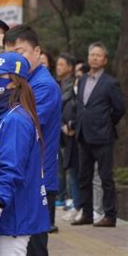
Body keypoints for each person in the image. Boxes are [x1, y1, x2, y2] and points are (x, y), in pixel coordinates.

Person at [0, 52, 50, 255]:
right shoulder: (3, 115)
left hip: (15, 212)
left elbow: (11, 168)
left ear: (14, 82)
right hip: (10, 210)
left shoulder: (15, 120)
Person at [3, 24, 61, 255]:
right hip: (25, 177)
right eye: (9, 55)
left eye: (20, 53)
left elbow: (20, 126)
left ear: (37, 52)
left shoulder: (43, 86)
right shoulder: (24, 82)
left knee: (34, 247)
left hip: (38, 180)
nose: (15, 61)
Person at [71, 42, 125, 227]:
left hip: (103, 136)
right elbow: (80, 106)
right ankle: (86, 213)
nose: (94, 57)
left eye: (98, 55)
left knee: (105, 177)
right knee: (83, 177)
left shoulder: (110, 83)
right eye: (91, 54)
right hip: (83, 135)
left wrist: (106, 124)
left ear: (105, 60)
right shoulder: (83, 79)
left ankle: (110, 215)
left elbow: (119, 109)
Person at [56, 53, 82, 222]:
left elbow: (78, 107)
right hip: (62, 132)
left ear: (70, 67)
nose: (58, 67)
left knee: (75, 170)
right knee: (66, 168)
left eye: (61, 64)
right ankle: (71, 202)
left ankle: (77, 204)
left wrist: (70, 125)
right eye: (57, 64)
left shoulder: (74, 84)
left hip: (73, 133)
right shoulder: (58, 84)